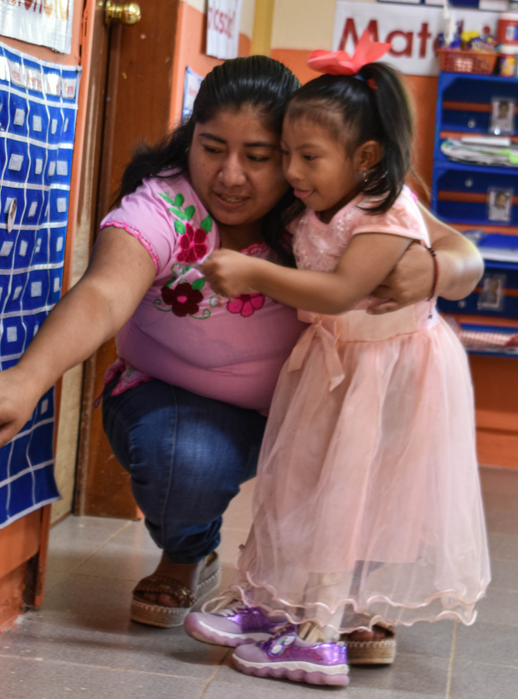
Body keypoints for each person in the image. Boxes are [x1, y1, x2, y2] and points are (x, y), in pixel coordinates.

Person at [0, 55, 484, 642]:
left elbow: (462, 254)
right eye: (212, 148)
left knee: (361, 460)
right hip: (183, 401)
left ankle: (346, 599)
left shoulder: (330, 195)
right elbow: (105, 293)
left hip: (316, 403)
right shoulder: (165, 206)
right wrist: (30, 376)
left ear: (294, 150)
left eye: (259, 157)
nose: (231, 175)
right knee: (185, 461)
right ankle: (190, 551)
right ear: (191, 139)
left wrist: (434, 272)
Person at [186, 43, 490, 687]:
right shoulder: (322, 199)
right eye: (287, 154)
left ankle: (321, 633)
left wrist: (252, 272)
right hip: (332, 364)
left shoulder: (386, 209)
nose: (293, 171)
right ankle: (269, 605)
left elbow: (340, 292)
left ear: (366, 157)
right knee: (292, 487)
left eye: (307, 157)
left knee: (343, 502)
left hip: (380, 372)